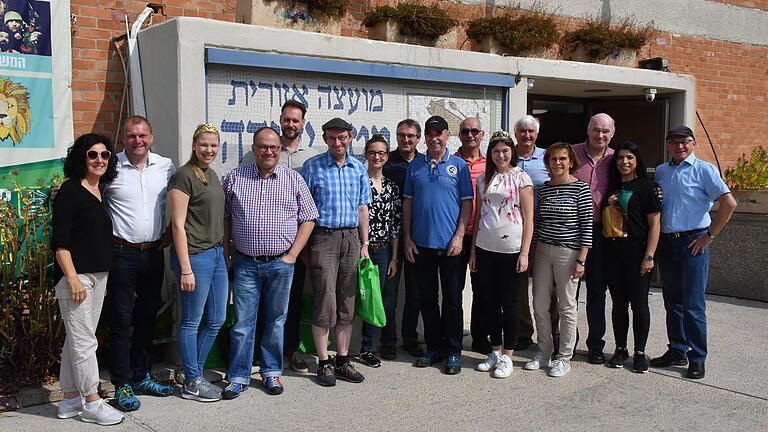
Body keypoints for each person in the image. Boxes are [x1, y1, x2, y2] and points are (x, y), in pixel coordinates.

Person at [221, 127, 318, 398]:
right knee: (243, 323)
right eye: (263, 147)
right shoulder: (234, 178)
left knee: (277, 321)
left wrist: (293, 255)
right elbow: (225, 217)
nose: (268, 151)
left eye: (273, 147)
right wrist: (228, 252)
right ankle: (239, 375)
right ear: (254, 149)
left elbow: (309, 218)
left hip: (281, 264)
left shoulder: (293, 179)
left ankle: (271, 372)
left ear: (279, 150)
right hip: (246, 263)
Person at [650, 126, 737, 379]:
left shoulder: (705, 170)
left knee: (693, 305)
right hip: (668, 242)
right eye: (675, 142)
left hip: (693, 243)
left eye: (685, 142)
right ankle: (677, 349)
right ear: (668, 145)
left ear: (694, 144)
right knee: (672, 303)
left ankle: (697, 357)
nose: (680, 146)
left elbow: (729, 203)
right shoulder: (662, 171)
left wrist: (709, 236)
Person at [240, 100, 319, 373]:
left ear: (303, 124)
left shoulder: (311, 156)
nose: (291, 124)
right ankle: (258, 355)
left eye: (296, 120)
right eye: (287, 119)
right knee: (260, 305)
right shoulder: (260, 153)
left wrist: (297, 251)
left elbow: (311, 206)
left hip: (294, 246)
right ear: (280, 120)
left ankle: (291, 349)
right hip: (255, 251)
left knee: (292, 301)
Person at [103, 116, 175, 412]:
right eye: (132, 136)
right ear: (124, 138)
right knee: (120, 320)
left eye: (142, 135)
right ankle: (120, 383)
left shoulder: (165, 165)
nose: (137, 141)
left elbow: (181, 197)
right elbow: (86, 189)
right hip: (121, 253)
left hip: (154, 252)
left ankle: (142, 375)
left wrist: (173, 229)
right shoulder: (110, 165)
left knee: (147, 316)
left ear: (151, 136)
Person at [53, 134, 124, 425]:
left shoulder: (99, 190)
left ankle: (69, 399)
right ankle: (92, 402)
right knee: (85, 343)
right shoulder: (70, 191)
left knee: (76, 340)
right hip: (77, 278)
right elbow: (60, 242)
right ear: (81, 158)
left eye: (105, 155)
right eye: (92, 155)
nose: (99, 160)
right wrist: (72, 278)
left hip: (98, 276)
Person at [302, 117, 372, 387]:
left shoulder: (358, 168)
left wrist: (364, 244)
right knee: (324, 298)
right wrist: (306, 246)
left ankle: (343, 360)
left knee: (347, 300)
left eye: (342, 137)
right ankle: (323, 362)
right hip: (324, 237)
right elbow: (305, 212)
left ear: (350, 136)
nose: (337, 142)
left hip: (352, 238)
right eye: (332, 138)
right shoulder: (313, 167)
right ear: (325, 139)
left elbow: (363, 208)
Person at [403, 115, 473, 375]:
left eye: (439, 133)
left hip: (451, 246)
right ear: (425, 138)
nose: (434, 138)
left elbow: (467, 203)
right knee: (428, 300)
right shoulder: (415, 167)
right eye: (430, 133)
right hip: (421, 246)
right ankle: (434, 347)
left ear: (446, 136)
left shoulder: (459, 166)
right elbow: (408, 203)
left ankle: (453, 350)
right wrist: (408, 237)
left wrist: (458, 236)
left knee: (453, 301)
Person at [168, 124, 227, 402]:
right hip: (194, 257)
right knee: (191, 321)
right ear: (194, 145)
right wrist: (186, 268)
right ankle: (192, 382)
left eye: (214, 145)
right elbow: (178, 226)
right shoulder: (183, 176)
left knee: (217, 318)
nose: (209, 150)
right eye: (204, 145)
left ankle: (195, 371)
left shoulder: (212, 175)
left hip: (215, 255)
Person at [469, 131, 533, 378]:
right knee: (490, 303)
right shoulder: (483, 180)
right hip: (486, 249)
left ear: (512, 152)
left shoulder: (521, 178)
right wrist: (473, 250)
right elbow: (478, 215)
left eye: (505, 150)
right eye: (496, 151)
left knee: (510, 303)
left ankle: (508, 355)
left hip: (512, 250)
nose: (501, 155)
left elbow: (529, 219)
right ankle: (495, 350)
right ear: (490, 154)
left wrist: (525, 253)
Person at [524, 142, 592, 378]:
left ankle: (563, 357)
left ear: (571, 161)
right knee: (540, 305)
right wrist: (532, 255)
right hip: (543, 251)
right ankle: (543, 351)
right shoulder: (543, 189)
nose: (558, 163)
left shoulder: (581, 189)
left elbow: (586, 227)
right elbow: (538, 224)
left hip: (569, 253)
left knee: (566, 306)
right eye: (553, 159)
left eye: (562, 158)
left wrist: (581, 260)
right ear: (547, 163)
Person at [601, 142, 661, 373]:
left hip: (637, 252)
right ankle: (620, 348)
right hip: (613, 252)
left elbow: (655, 223)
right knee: (618, 304)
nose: (624, 162)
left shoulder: (646, 187)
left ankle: (639, 352)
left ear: (637, 161)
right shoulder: (611, 187)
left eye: (629, 158)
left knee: (639, 304)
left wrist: (650, 255)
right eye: (620, 158)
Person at [512, 115, 558, 351]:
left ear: (537, 134)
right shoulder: (508, 157)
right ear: (516, 133)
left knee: (548, 286)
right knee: (519, 286)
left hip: (546, 230)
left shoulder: (547, 158)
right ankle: (523, 331)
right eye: (522, 131)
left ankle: (553, 333)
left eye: (531, 131)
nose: (526, 135)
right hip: (515, 232)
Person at [573, 113, 616, 365]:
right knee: (568, 291)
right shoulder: (571, 153)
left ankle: (595, 344)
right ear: (588, 129)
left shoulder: (616, 159)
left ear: (612, 133)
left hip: (602, 232)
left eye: (605, 131)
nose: (600, 135)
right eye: (596, 130)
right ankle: (568, 341)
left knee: (597, 291)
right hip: (572, 230)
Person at [358, 134, 402, 367]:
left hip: (383, 250)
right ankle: (359, 348)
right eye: (373, 152)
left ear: (387, 157)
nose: (377, 156)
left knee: (380, 300)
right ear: (366, 154)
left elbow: (395, 224)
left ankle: (378, 346)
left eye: (381, 153)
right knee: (362, 299)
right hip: (359, 251)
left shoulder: (391, 187)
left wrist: (395, 257)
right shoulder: (357, 182)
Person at [382, 119, 424, 358]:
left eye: (410, 136)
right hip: (391, 238)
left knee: (415, 294)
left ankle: (410, 338)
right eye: (401, 135)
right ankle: (388, 341)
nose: (405, 139)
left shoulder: (424, 163)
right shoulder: (387, 162)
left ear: (418, 138)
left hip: (418, 237)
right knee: (390, 293)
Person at [454, 117, 489, 354]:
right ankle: (453, 339)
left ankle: (479, 338)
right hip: (455, 234)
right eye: (465, 131)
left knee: (482, 290)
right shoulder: (451, 162)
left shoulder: (491, 164)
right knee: (454, 291)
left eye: (474, 131)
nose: (470, 135)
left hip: (483, 236)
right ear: (459, 135)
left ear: (481, 134)